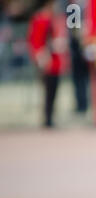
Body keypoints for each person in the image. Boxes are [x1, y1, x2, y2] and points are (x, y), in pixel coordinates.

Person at [28, 0, 69, 128]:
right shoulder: (41, 19)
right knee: (48, 91)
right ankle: (47, 118)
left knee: (54, 91)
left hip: (55, 61)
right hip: (46, 60)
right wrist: (40, 56)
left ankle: (50, 117)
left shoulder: (55, 18)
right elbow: (36, 40)